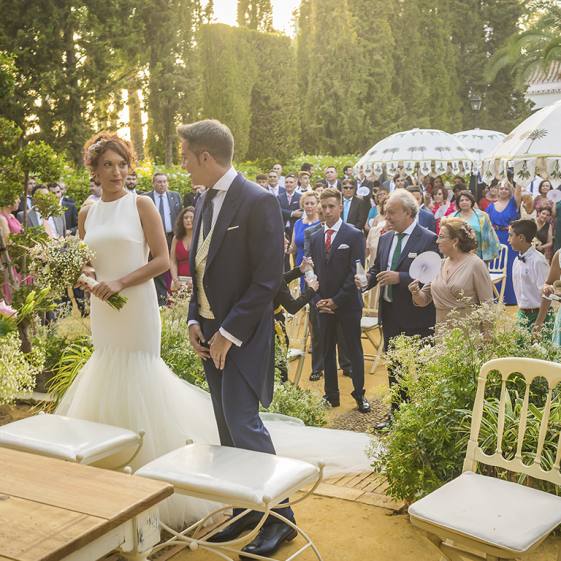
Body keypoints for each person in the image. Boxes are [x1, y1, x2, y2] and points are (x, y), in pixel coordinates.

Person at [181, 121, 372, 556]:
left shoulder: (258, 200)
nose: (184, 164)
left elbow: (267, 279)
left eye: (187, 156)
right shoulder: (203, 198)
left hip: (243, 336)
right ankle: (246, 510)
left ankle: (281, 519)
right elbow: (202, 269)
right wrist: (195, 319)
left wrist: (228, 333)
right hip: (208, 334)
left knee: (244, 424)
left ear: (206, 156)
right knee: (227, 427)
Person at [359, 189, 438, 429]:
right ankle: (397, 416)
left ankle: (424, 420)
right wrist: (365, 281)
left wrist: (400, 278)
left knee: (422, 368)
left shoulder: (428, 239)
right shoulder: (385, 238)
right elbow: (377, 270)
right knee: (395, 367)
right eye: (386, 212)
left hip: (418, 315)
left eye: (392, 212)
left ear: (408, 212)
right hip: (390, 313)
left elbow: (432, 275)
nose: (387, 217)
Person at [308, 188, 371, 414]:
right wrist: (317, 299)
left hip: (348, 305)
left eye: (331, 206)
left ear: (340, 207)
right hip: (322, 305)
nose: (327, 211)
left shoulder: (354, 235)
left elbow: (356, 271)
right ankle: (331, 395)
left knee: (353, 350)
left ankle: (359, 394)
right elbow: (311, 272)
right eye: (323, 207)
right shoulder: (315, 237)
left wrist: (336, 300)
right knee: (326, 350)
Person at [408, 218, 493, 326]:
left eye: (441, 237)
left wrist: (488, 333)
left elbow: (487, 305)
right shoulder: (439, 265)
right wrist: (415, 292)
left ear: (455, 241)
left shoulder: (476, 264)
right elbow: (423, 300)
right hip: (442, 330)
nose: (437, 241)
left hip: (469, 330)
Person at [145, 172, 182, 305]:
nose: (162, 184)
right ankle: (160, 300)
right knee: (158, 267)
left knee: (171, 265)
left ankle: (173, 298)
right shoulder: (146, 198)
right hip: (153, 238)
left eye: (165, 181)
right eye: (159, 182)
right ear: (153, 183)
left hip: (172, 237)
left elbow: (180, 216)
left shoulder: (175, 196)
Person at [509, 219, 551, 331]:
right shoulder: (516, 261)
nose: (508, 240)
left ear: (521, 238)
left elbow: (547, 294)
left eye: (510, 235)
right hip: (522, 314)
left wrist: (539, 323)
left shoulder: (538, 261)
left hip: (539, 316)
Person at [487, 179, 522, 305]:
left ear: (510, 191)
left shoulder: (514, 203)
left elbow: (518, 190)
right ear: (497, 190)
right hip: (494, 238)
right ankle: (495, 297)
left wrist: (518, 177)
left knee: (510, 266)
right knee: (495, 266)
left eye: (506, 188)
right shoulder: (491, 206)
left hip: (510, 237)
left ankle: (511, 298)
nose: (503, 191)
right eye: (501, 188)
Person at [453, 190, 499, 262]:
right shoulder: (452, 217)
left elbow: (490, 235)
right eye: (461, 200)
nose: (464, 202)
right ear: (458, 203)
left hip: (479, 254)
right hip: (458, 254)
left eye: (467, 200)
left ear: (471, 201)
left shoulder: (483, 216)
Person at [290, 191, 321, 292]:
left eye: (312, 203)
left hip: (317, 265)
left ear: (318, 205)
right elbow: (293, 248)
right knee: (303, 295)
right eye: (306, 203)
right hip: (301, 265)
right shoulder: (298, 223)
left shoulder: (322, 223)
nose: (309, 206)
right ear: (302, 205)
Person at [170, 207, 194, 291]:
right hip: (179, 282)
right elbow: (172, 261)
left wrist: (194, 280)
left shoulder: (200, 238)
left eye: (191, 217)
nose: (188, 220)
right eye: (186, 218)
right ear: (182, 220)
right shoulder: (176, 238)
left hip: (196, 281)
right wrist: (175, 280)